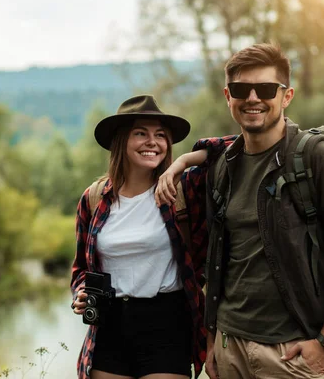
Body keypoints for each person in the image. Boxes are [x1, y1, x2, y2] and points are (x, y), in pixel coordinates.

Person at [155, 43, 324, 379]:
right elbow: (222, 259)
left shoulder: (318, 158)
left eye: (265, 89)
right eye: (242, 90)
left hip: (290, 353)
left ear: (286, 96)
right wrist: (214, 335)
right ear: (227, 96)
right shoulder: (224, 165)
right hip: (229, 347)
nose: (253, 98)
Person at [71, 95, 234, 379]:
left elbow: (237, 148)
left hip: (167, 324)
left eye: (160, 135)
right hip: (108, 328)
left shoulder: (183, 189)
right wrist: (81, 294)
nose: (152, 142)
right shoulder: (94, 198)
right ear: (120, 141)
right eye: (140, 134)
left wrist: (182, 162)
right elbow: (81, 269)